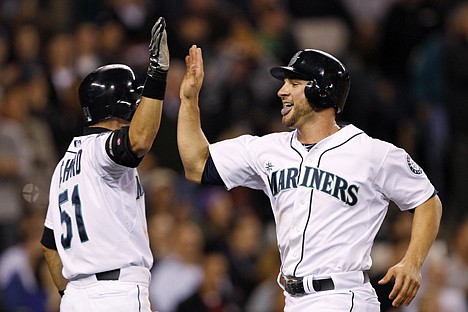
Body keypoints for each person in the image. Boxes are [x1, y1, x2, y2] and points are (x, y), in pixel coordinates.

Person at [177, 45, 443, 311]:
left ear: (322, 91)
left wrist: (413, 262)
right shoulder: (268, 149)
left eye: (294, 83)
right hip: (293, 298)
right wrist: (189, 101)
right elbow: (197, 165)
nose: (282, 91)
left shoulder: (371, 153)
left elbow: (427, 200)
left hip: (342, 296)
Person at [40, 17, 170, 311]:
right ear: (121, 106)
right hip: (117, 293)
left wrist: (73, 296)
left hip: (75, 297)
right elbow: (139, 141)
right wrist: (158, 75)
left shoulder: (63, 166)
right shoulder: (101, 150)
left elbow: (49, 246)